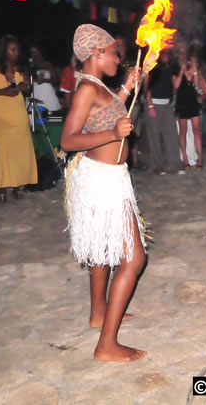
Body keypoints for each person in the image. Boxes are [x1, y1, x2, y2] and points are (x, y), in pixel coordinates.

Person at [59, 24, 146, 361]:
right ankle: (106, 345)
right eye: (113, 51)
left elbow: (106, 111)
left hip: (106, 177)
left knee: (101, 251)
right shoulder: (85, 90)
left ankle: (98, 313)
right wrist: (113, 132)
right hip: (104, 180)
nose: (118, 57)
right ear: (96, 54)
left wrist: (126, 88)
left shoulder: (96, 86)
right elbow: (68, 140)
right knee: (134, 259)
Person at [0, 35, 38, 203]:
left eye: (17, 49)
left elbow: (28, 88)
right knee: (3, 152)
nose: (16, 52)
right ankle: (2, 188)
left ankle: (19, 186)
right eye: (12, 49)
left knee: (20, 151)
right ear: (4, 50)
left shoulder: (21, 68)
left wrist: (21, 86)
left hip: (18, 115)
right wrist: (3, 92)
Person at [143, 51, 184, 175]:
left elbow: (176, 85)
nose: (166, 57)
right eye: (164, 55)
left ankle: (174, 164)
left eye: (167, 55)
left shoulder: (170, 68)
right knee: (154, 137)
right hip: (153, 104)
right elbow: (147, 89)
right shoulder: (153, 68)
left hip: (166, 105)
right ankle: (157, 166)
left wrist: (181, 70)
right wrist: (150, 107)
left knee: (171, 135)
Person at [174, 51, 206, 171]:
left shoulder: (195, 73)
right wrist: (181, 71)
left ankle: (200, 159)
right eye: (191, 61)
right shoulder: (177, 71)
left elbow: (196, 85)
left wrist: (194, 71)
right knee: (183, 132)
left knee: (196, 131)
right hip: (181, 103)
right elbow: (176, 86)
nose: (192, 62)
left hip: (192, 103)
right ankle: (185, 160)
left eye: (195, 61)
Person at [28, 44, 62, 113]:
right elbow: (26, 81)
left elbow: (55, 79)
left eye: (36, 52)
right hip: (36, 93)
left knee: (50, 117)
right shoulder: (29, 66)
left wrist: (44, 80)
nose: (35, 54)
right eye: (32, 52)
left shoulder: (47, 64)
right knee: (36, 117)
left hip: (48, 94)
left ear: (40, 52)